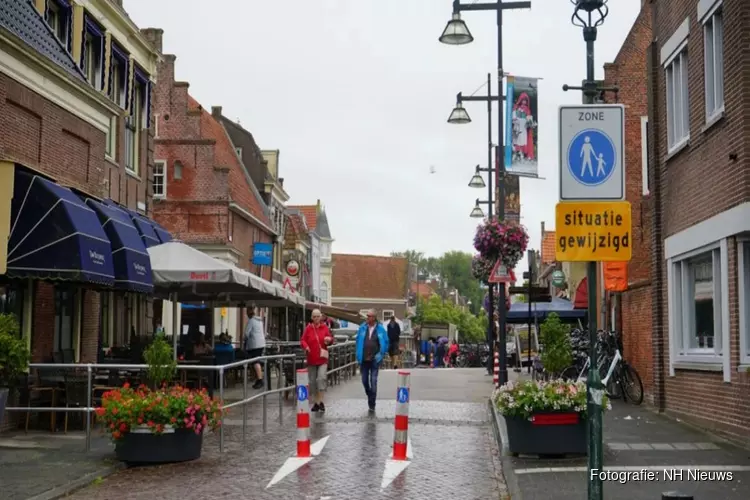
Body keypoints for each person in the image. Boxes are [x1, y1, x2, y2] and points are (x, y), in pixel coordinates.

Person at [300, 309, 335, 412]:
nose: (316, 318)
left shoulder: (325, 327)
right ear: (311, 318)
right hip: (311, 358)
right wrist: (306, 347)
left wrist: (329, 340)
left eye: (317, 316)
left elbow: (331, 339)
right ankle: (317, 402)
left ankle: (319, 401)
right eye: (314, 316)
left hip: (322, 359)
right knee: (312, 382)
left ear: (321, 317)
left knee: (321, 379)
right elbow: (302, 340)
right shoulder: (308, 328)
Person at [355, 309, 388, 412]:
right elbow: (358, 341)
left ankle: (372, 403)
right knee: (364, 381)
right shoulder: (362, 328)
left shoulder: (381, 329)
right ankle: (370, 395)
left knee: (373, 381)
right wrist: (358, 354)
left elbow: (386, 342)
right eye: (367, 316)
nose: (367, 318)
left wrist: (381, 354)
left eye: (369, 316)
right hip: (364, 359)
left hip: (375, 359)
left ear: (374, 317)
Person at [243, 306, 266, 389]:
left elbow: (246, 334)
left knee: (255, 361)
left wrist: (243, 339)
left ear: (249, 313)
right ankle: (258, 379)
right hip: (261, 343)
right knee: (256, 361)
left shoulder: (251, 321)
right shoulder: (259, 321)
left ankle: (260, 379)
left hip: (255, 344)